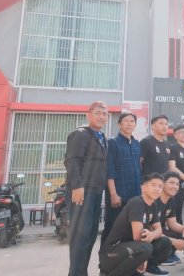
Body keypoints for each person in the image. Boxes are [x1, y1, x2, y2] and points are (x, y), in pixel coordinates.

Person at [64, 101, 109, 276]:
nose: (101, 117)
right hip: (82, 192)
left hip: (96, 192)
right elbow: (72, 160)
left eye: (104, 114)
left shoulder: (102, 137)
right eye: (98, 113)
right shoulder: (80, 134)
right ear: (88, 115)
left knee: (90, 236)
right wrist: (77, 186)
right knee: (80, 237)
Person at [98, 173, 173, 276]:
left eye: (160, 186)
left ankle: (136, 272)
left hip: (131, 249)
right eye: (153, 185)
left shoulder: (153, 205)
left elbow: (159, 230)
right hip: (111, 254)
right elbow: (138, 237)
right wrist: (144, 257)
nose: (157, 189)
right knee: (145, 248)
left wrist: (152, 235)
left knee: (165, 242)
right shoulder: (136, 203)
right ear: (143, 187)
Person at [101, 113, 142, 247]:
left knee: (131, 230)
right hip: (118, 196)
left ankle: (127, 262)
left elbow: (139, 169)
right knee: (112, 228)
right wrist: (113, 194)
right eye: (126, 121)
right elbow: (109, 170)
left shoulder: (136, 144)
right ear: (119, 124)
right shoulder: (112, 142)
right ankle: (105, 260)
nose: (129, 124)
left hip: (134, 195)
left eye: (132, 121)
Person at [157, 172, 184, 268]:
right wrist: (174, 241)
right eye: (171, 183)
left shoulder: (171, 200)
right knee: (165, 239)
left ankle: (168, 254)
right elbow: (152, 231)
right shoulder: (154, 199)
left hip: (160, 232)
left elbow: (172, 223)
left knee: (182, 233)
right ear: (163, 183)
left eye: (177, 184)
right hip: (149, 234)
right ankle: (158, 258)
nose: (175, 186)